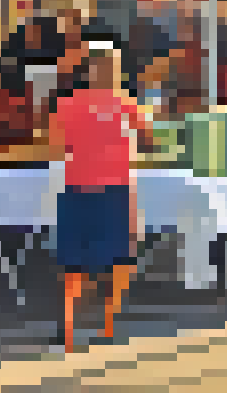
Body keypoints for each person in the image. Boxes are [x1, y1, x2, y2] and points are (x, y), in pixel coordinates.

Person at [47, 42, 149, 352]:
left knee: (75, 261)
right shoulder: (127, 103)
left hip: (81, 188)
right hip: (112, 190)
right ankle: (106, 325)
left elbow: (54, 147)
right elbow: (149, 140)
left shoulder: (69, 104)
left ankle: (72, 327)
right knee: (115, 260)